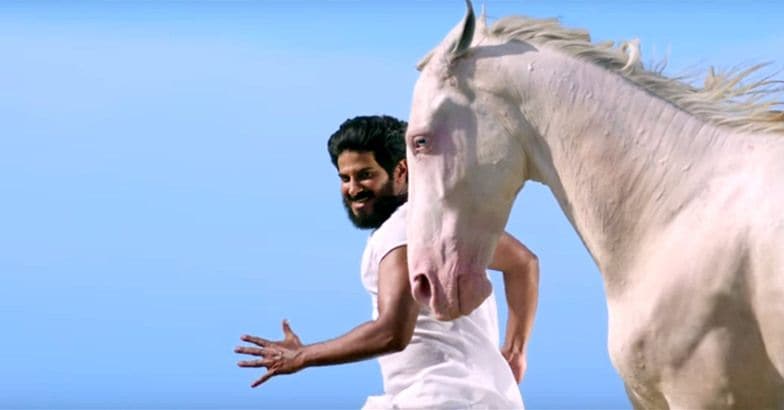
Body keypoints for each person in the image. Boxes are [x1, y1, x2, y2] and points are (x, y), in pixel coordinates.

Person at [235, 115, 539, 409]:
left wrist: (303, 356)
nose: (353, 189)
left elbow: (392, 332)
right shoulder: (446, 221)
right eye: (345, 178)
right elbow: (523, 264)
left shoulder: (400, 232)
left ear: (401, 170)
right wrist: (515, 351)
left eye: (365, 175)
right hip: (482, 398)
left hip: (436, 398)